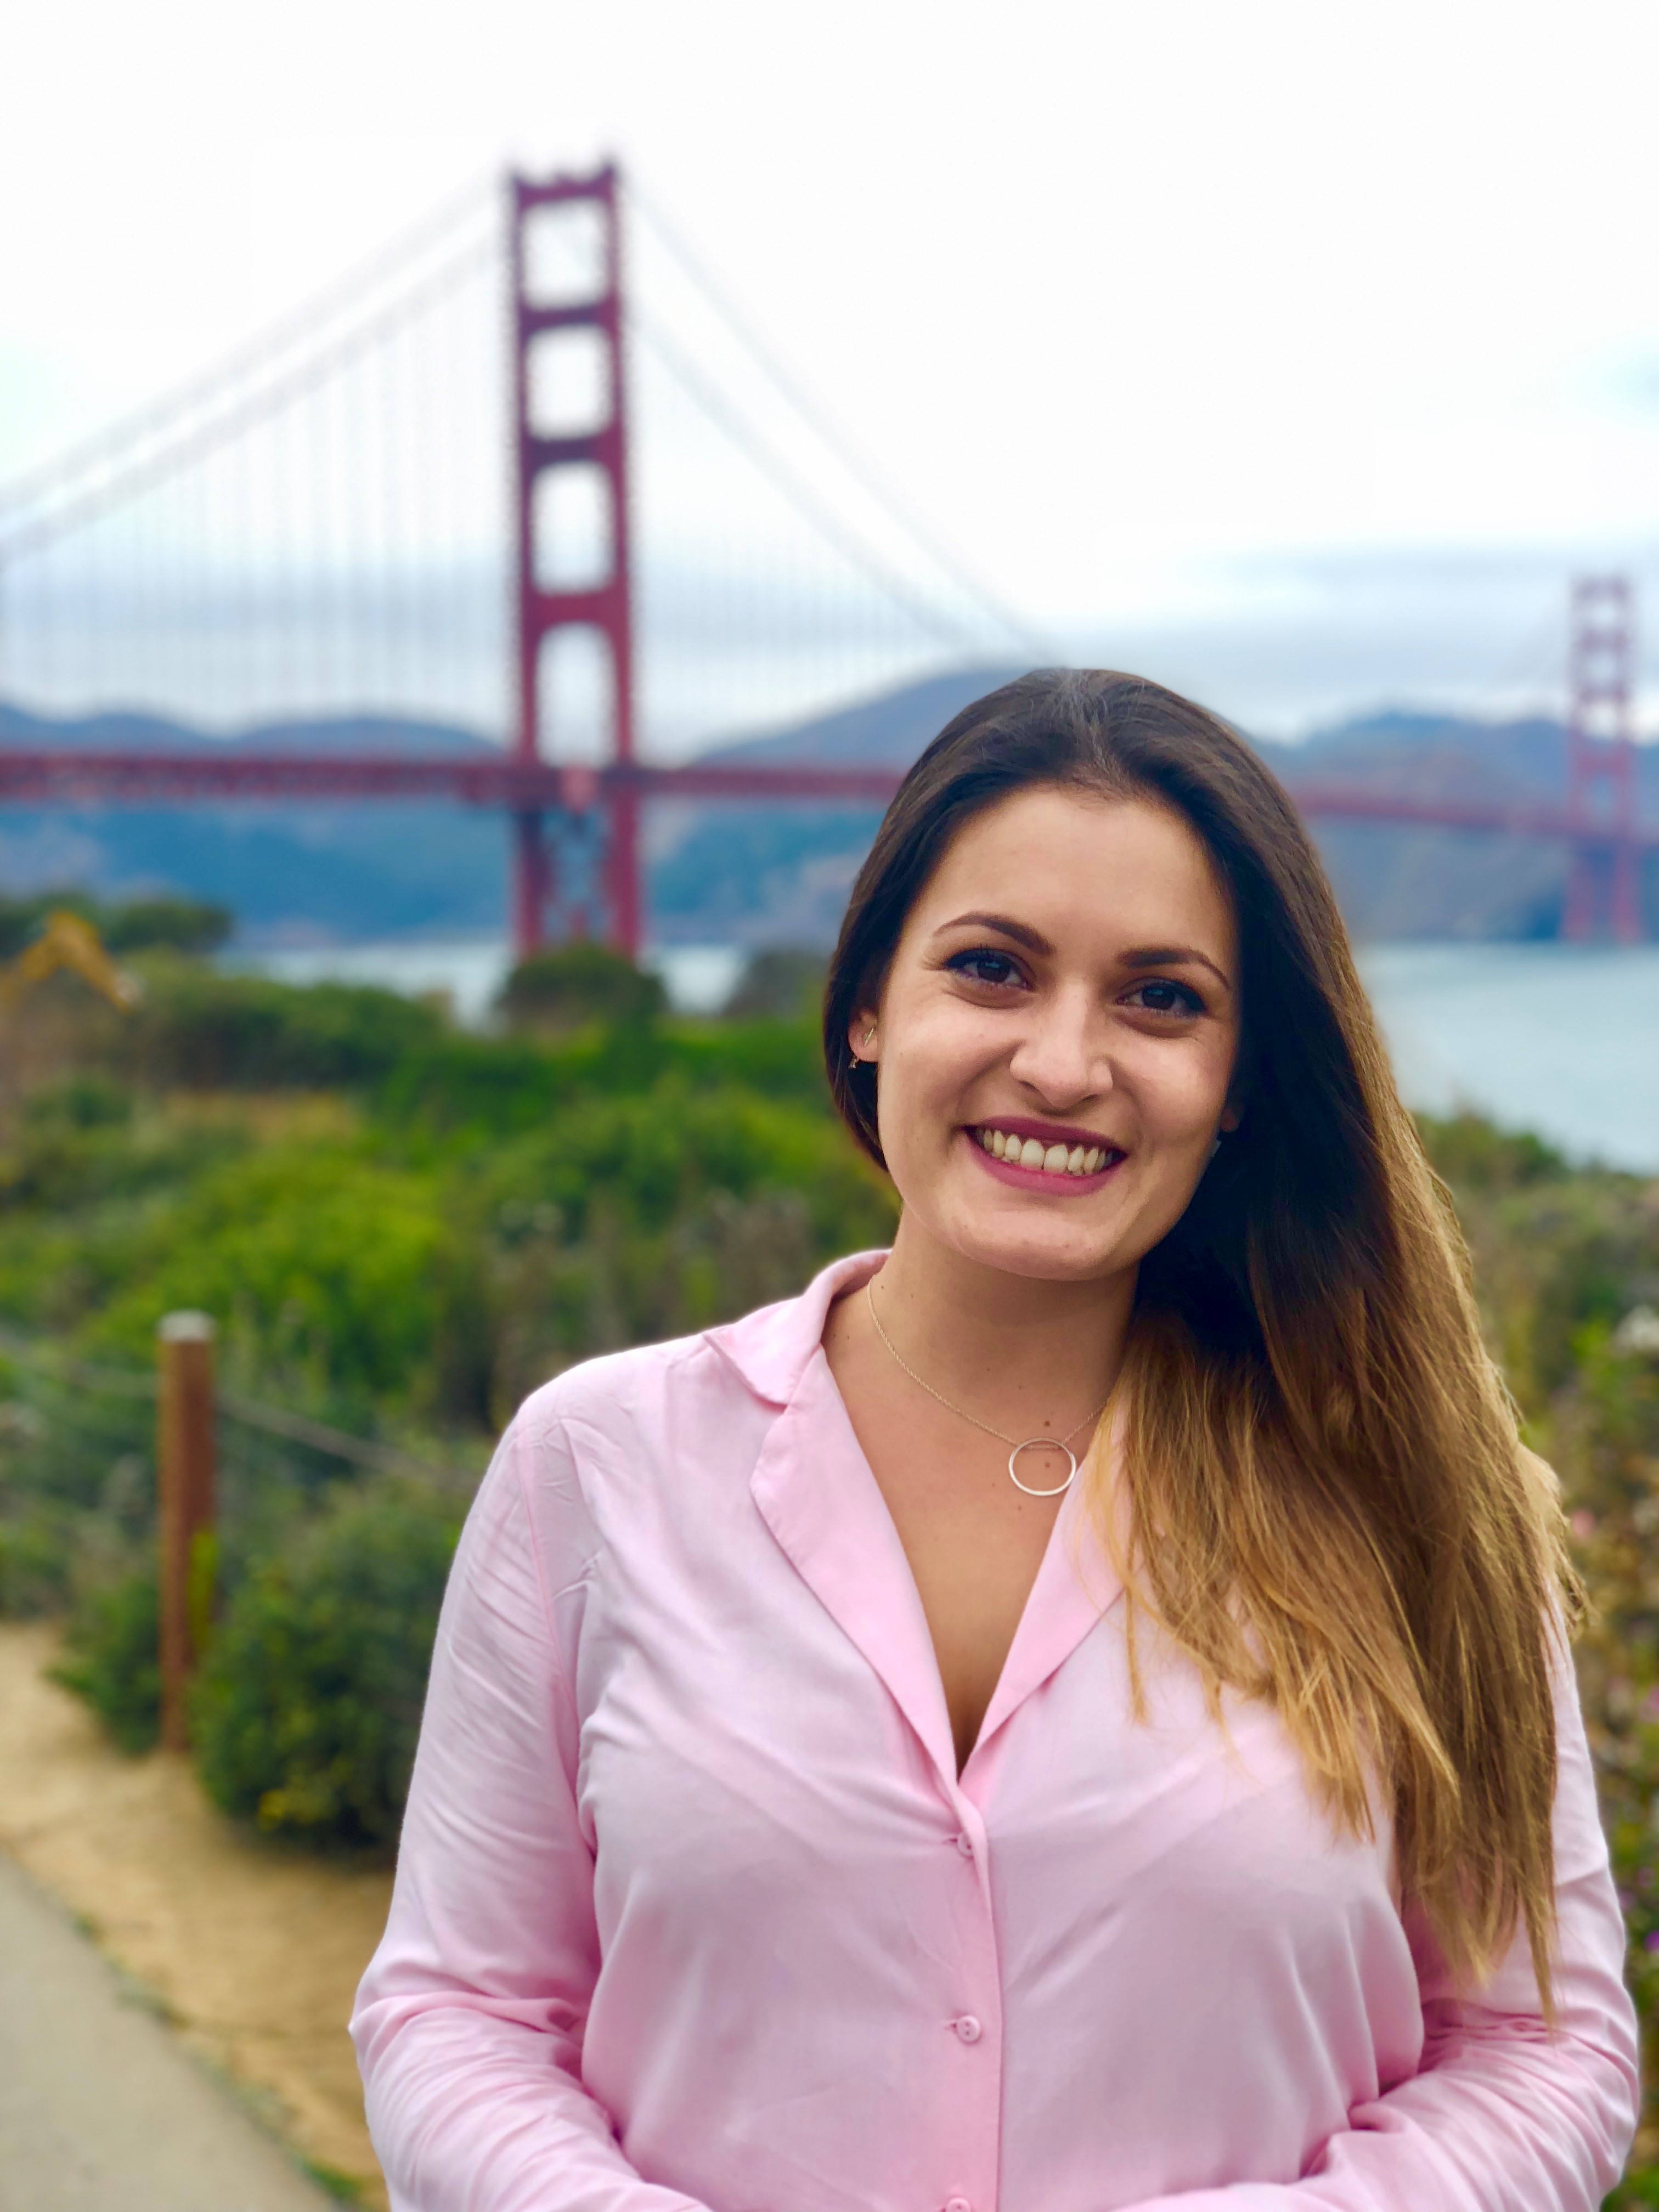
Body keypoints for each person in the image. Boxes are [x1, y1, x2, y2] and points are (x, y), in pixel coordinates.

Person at [351, 669, 1639, 2211]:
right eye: (992, 970)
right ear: (867, 1007)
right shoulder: (594, 1465)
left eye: (1162, 998)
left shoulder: (1412, 1501)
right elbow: (461, 2011)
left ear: (1240, 1081)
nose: (1065, 1064)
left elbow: (1543, 2051)